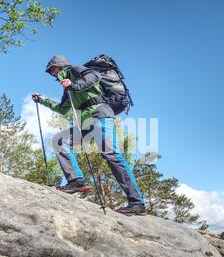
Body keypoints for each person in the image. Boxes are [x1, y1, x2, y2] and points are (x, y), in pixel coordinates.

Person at [32, 55, 146, 215]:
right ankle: (76, 181)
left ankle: (137, 202)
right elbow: (63, 109)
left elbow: (95, 76)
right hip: (85, 124)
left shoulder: (74, 69)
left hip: (100, 115)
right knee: (59, 140)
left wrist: (74, 85)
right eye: (50, 72)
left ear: (61, 66)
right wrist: (42, 100)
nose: (52, 74)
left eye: (53, 69)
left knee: (111, 155)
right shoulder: (67, 86)